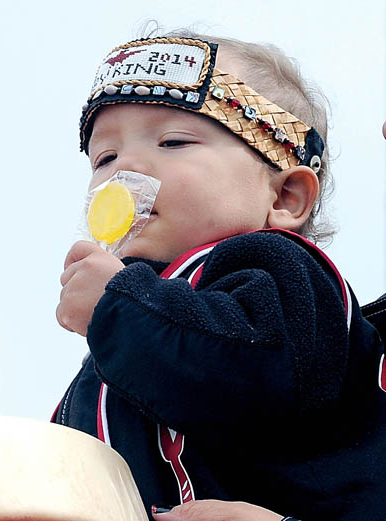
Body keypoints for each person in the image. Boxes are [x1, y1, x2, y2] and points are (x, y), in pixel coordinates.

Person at [53, 32, 386, 521]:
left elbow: (248, 372)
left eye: (173, 141)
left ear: (285, 197)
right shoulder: (116, 346)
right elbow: (67, 470)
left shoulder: (284, 269)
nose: (125, 168)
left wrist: (118, 307)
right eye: (105, 158)